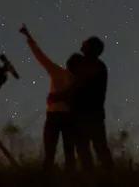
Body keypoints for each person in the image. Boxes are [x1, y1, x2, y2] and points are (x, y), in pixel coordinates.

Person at [52, 36, 115, 170]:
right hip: (92, 115)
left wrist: (60, 97)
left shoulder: (93, 67)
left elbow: (80, 85)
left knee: (89, 149)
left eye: (85, 43)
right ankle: (106, 177)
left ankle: (99, 177)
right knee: (92, 148)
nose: (82, 44)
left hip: (87, 115)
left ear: (90, 48)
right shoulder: (97, 66)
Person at [19, 23, 76, 170]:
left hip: (54, 115)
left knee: (50, 152)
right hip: (69, 116)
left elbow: (40, 56)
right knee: (69, 152)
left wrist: (28, 37)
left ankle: (46, 178)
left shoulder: (57, 71)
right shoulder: (79, 81)